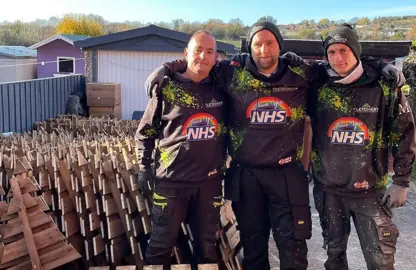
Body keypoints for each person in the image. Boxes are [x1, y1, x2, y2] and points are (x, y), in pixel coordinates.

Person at [147, 21, 313, 270]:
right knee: (254, 248)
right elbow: (200, 62)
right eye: (258, 44)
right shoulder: (233, 71)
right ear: (250, 47)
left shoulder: (301, 74)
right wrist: (167, 67)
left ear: (280, 45)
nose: (264, 50)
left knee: (293, 249)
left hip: (287, 174)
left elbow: (341, 69)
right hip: (246, 174)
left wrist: (380, 68)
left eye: (270, 43)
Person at [306, 24, 416, 270]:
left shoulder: (383, 85)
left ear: (355, 52)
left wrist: (401, 181)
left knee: (380, 260)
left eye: (344, 50)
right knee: (334, 258)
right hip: (328, 191)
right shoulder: (318, 86)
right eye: (332, 52)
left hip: (370, 190)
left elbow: (405, 132)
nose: (338, 57)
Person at [135, 30, 227, 269]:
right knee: (160, 245)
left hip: (209, 183)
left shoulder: (222, 88)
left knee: (207, 247)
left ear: (216, 57)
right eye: (198, 50)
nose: (203, 56)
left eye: (209, 51)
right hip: (171, 181)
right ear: (186, 53)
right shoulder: (166, 88)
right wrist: (144, 168)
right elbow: (146, 133)